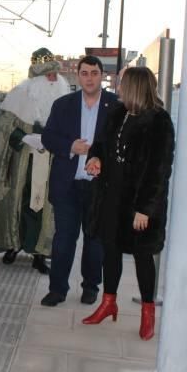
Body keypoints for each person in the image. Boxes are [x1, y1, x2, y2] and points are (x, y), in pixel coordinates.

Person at [82, 66, 175, 341]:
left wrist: (145, 209)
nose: (118, 86)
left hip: (139, 203)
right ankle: (108, 303)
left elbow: (160, 170)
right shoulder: (117, 113)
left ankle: (148, 313)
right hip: (112, 197)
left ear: (135, 86)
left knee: (143, 257)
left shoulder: (159, 121)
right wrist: (95, 158)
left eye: (123, 83)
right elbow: (100, 144)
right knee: (109, 251)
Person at [0, 48, 70, 274]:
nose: (54, 78)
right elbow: (2, 127)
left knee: (43, 207)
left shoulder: (64, 99)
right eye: (49, 74)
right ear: (38, 77)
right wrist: (25, 137)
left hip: (51, 163)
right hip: (22, 163)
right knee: (18, 202)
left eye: (55, 74)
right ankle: (13, 245)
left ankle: (39, 252)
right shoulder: (19, 94)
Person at [39, 56, 118, 307]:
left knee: (95, 241)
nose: (89, 78)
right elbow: (48, 137)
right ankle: (57, 289)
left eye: (94, 73)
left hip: (100, 187)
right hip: (68, 185)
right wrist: (70, 146)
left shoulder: (116, 106)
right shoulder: (63, 104)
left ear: (101, 75)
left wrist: (103, 159)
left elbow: (120, 145)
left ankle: (90, 287)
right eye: (84, 73)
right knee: (64, 239)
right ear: (79, 75)